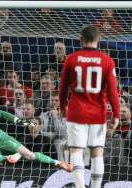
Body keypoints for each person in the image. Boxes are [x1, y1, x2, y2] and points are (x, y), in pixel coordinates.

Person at [59, 25, 120, 188]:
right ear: (98, 40)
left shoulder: (71, 59)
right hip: (98, 114)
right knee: (97, 154)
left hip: (76, 113)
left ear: (80, 40)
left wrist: (62, 108)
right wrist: (116, 115)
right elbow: (113, 92)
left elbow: (62, 88)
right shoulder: (107, 61)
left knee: (76, 152)